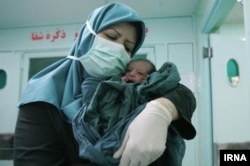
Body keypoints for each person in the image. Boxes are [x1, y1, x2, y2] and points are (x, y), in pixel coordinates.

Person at [13, 2, 196, 166]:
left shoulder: (124, 85)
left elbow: (182, 93)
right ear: (87, 35)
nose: (117, 48)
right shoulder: (43, 94)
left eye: (127, 47)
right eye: (111, 36)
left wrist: (161, 110)